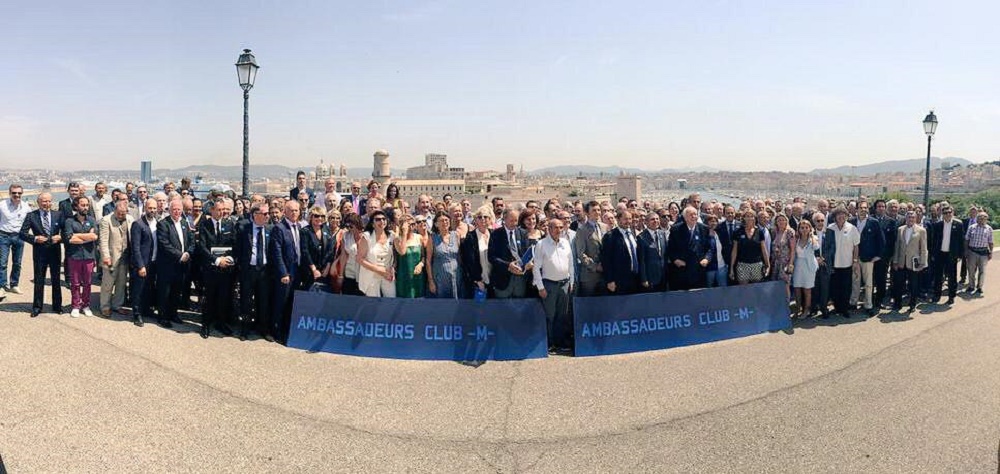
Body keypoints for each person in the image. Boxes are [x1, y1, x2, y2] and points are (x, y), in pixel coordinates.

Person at [532, 218, 574, 352]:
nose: (558, 230)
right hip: (549, 285)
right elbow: (536, 268)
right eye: (555, 227)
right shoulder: (541, 244)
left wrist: (571, 282)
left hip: (564, 284)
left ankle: (561, 343)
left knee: (562, 316)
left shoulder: (566, 243)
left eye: (561, 227)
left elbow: (571, 265)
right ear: (549, 229)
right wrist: (540, 287)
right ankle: (549, 344)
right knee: (550, 316)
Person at [196, 200, 237, 338]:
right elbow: (202, 247)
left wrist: (229, 259)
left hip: (225, 269)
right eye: (219, 210)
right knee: (209, 298)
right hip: (210, 269)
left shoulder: (229, 224)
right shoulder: (204, 225)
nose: (222, 212)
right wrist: (217, 260)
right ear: (212, 210)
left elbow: (234, 244)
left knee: (223, 297)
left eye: (224, 209)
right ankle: (205, 325)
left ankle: (221, 323)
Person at [19, 193, 63, 316]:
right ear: (38, 202)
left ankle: (57, 306)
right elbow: (22, 233)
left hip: (55, 251)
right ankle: (37, 307)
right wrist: (34, 238)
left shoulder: (58, 215)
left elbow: (66, 232)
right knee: (39, 280)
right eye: (44, 201)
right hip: (39, 252)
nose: (47, 204)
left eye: (49, 201)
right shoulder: (31, 216)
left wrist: (60, 237)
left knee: (56, 280)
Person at [234, 202, 273, 339]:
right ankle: (245, 329)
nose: (268, 216)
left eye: (268, 213)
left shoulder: (270, 229)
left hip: (264, 271)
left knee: (263, 301)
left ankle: (263, 329)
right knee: (246, 300)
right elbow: (238, 249)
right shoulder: (244, 229)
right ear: (255, 215)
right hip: (248, 271)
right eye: (265, 213)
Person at [156, 199, 194, 328]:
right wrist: (180, 255)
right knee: (165, 292)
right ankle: (163, 316)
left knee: (177, 291)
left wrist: (188, 253)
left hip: (182, 265)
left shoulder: (184, 223)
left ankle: (173, 313)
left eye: (179, 209)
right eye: (174, 209)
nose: (177, 212)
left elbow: (191, 241)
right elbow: (164, 244)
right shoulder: (163, 224)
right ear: (169, 210)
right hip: (168, 265)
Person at [270, 199, 303, 343]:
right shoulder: (279, 228)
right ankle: (275, 330)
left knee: (292, 303)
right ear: (285, 212)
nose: (294, 213)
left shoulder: (299, 227)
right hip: (285, 273)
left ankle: (287, 329)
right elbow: (276, 253)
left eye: (296, 210)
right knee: (280, 303)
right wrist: (283, 273)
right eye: (291, 210)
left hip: (297, 272)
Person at [63, 196, 99, 318]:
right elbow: (70, 239)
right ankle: (75, 306)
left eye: (87, 205)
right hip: (75, 256)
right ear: (76, 206)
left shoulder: (92, 220)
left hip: (89, 256)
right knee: (76, 283)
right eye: (82, 205)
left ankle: (86, 305)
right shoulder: (69, 221)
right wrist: (87, 236)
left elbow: (94, 237)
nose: (85, 207)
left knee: (88, 283)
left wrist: (78, 236)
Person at [849, 201, 885, 316]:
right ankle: (853, 302)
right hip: (854, 258)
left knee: (869, 283)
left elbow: (881, 240)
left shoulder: (874, 222)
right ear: (857, 209)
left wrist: (878, 255)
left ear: (868, 209)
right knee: (855, 281)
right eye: (861, 207)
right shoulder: (851, 222)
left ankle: (868, 305)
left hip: (868, 258)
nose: (863, 210)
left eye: (865, 208)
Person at [98, 201, 133, 318]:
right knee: (107, 284)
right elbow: (103, 241)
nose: (121, 216)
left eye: (123, 214)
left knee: (121, 284)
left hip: (125, 258)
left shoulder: (130, 219)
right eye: (119, 213)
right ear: (114, 210)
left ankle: (117, 305)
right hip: (111, 258)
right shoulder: (106, 220)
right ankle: (105, 307)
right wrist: (106, 257)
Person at [666, 207, 712, 291]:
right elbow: (670, 248)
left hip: (699, 270)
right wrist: (675, 260)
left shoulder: (704, 228)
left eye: (695, 214)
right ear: (685, 217)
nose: (694, 216)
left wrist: (707, 259)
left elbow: (709, 248)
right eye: (691, 215)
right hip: (682, 270)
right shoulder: (676, 229)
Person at [129, 198, 159, 327]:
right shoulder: (138, 224)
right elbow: (135, 247)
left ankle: (146, 309)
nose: (152, 210)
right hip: (142, 263)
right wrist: (140, 265)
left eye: (154, 208)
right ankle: (137, 313)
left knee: (149, 288)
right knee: (138, 289)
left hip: (153, 262)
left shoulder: (157, 223)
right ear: (145, 208)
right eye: (150, 208)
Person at [488, 208, 529, 298]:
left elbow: (526, 253)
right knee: (503, 309)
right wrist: (508, 265)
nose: (514, 224)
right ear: (504, 219)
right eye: (511, 221)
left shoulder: (523, 233)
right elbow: (491, 257)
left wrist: (527, 264)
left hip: (520, 279)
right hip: (502, 280)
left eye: (516, 221)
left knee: (519, 308)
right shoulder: (496, 234)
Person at [892, 211, 928, 312]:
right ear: (906, 219)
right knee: (898, 284)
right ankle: (897, 303)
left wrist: (922, 263)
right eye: (909, 217)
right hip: (901, 261)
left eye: (912, 217)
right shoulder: (900, 229)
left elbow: (924, 248)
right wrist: (895, 261)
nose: (910, 219)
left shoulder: (921, 230)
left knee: (913, 285)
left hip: (914, 263)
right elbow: (897, 246)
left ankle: (912, 304)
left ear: (916, 219)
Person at [928, 205, 964, 305]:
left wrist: (960, 255)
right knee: (938, 276)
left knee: (952, 277)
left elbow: (961, 241)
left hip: (951, 254)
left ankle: (951, 296)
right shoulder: (937, 225)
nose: (948, 214)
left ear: (952, 213)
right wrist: (933, 254)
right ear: (942, 214)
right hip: (940, 254)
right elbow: (933, 240)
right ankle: (937, 295)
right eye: (945, 213)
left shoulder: (958, 224)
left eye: (949, 212)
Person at [828, 207, 860, 318]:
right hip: (834, 264)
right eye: (838, 215)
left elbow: (856, 246)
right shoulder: (830, 228)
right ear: (835, 217)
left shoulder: (852, 228)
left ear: (847, 216)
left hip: (847, 263)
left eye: (843, 215)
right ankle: (837, 307)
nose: (841, 217)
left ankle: (845, 309)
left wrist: (855, 260)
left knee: (846, 287)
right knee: (835, 287)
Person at [0, 184, 30, 297]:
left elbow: (30, 222)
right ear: (9, 193)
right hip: (4, 236)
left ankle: (14, 284)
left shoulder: (26, 207)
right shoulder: (2, 205)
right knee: (2, 263)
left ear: (22, 194)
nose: (16, 195)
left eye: (19, 193)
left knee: (17, 263)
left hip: (19, 237)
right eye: (14, 193)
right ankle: (1, 286)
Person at [357, 210, 396, 297]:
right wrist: (378, 270)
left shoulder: (392, 235)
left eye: (383, 219)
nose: (381, 221)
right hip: (371, 274)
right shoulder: (366, 237)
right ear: (372, 223)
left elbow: (396, 255)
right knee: (373, 304)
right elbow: (359, 259)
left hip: (387, 273)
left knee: (391, 300)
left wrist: (392, 268)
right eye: (378, 219)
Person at [426, 211, 463, 299]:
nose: (445, 222)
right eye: (441, 221)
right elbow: (428, 261)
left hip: (456, 276)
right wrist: (431, 281)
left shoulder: (456, 235)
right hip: (439, 278)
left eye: (446, 220)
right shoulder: (432, 238)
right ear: (436, 224)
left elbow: (460, 257)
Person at [574, 201, 606, 297]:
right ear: (587, 213)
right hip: (589, 276)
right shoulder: (582, 230)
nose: (597, 212)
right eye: (594, 210)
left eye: (598, 210)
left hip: (604, 274)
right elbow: (581, 254)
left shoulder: (604, 227)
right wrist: (595, 266)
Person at [459, 207, 492, 299]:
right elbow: (469, 261)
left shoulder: (494, 234)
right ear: (475, 220)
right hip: (478, 281)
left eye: (485, 217)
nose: (483, 219)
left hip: (494, 280)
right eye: (479, 217)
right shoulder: (470, 237)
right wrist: (477, 280)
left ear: (490, 220)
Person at [300, 206, 335, 291]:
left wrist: (327, 267)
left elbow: (331, 250)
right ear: (311, 217)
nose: (319, 218)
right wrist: (314, 269)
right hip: (309, 270)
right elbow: (305, 251)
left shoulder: (326, 229)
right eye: (316, 216)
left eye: (322, 216)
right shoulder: (305, 231)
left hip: (324, 271)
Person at [730, 210, 769, 285]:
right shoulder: (737, 232)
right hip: (742, 265)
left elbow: (764, 250)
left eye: (752, 216)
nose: (750, 218)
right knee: (744, 290)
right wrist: (731, 268)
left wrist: (768, 265)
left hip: (757, 265)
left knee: (756, 289)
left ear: (755, 218)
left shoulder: (759, 232)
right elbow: (734, 251)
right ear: (743, 218)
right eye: (747, 216)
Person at [791, 220, 819, 318]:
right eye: (802, 227)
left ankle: (806, 309)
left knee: (807, 289)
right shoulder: (796, 239)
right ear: (798, 229)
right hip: (798, 265)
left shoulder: (813, 238)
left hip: (809, 266)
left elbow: (816, 247)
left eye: (806, 227)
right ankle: (798, 308)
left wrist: (812, 236)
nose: (804, 229)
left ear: (810, 228)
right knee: (797, 288)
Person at [394, 214, 426, 298]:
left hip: (417, 275)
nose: (411, 227)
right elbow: (402, 252)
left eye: (413, 224)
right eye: (409, 225)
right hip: (404, 276)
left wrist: (421, 264)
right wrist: (404, 233)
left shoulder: (419, 237)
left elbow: (423, 256)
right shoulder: (397, 239)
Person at [335, 213, 365, 296]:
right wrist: (341, 275)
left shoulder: (367, 236)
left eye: (351, 226)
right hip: (349, 272)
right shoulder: (346, 236)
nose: (349, 229)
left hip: (364, 274)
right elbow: (343, 256)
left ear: (357, 224)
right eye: (347, 226)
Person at [964, 211, 993, 295]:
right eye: (980, 217)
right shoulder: (971, 227)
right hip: (972, 251)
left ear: (986, 219)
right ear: (977, 218)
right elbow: (966, 239)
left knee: (982, 271)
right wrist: (966, 251)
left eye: (984, 218)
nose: (982, 219)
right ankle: (971, 286)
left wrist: (990, 252)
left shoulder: (989, 229)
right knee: (971, 270)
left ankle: (980, 287)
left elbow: (990, 242)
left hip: (983, 252)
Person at [770, 213, 796, 300]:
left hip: (785, 263)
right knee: (776, 284)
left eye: (783, 220)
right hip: (775, 263)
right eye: (779, 220)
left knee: (785, 285)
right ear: (776, 222)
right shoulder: (774, 232)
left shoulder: (789, 232)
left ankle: (787, 306)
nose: (781, 222)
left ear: (786, 221)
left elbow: (793, 250)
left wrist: (791, 264)